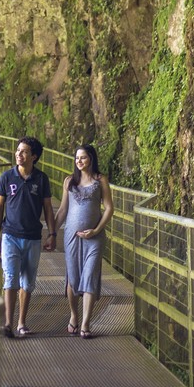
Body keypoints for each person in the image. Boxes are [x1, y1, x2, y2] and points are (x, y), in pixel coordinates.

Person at [0, 136, 56, 338]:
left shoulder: (41, 179)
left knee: (28, 282)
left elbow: (47, 207)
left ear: (34, 156)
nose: (19, 154)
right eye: (18, 151)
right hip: (10, 234)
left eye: (24, 151)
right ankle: (8, 323)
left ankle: (22, 322)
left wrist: (52, 234)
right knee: (10, 279)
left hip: (33, 237)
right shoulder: (7, 177)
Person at [54, 143, 113, 338]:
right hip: (71, 235)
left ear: (91, 159)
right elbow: (62, 210)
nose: (79, 161)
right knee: (73, 277)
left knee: (89, 276)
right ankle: (73, 315)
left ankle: (85, 324)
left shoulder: (100, 179)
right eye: (77, 158)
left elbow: (109, 208)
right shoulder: (69, 181)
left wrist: (96, 230)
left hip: (94, 237)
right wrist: (52, 233)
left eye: (83, 157)